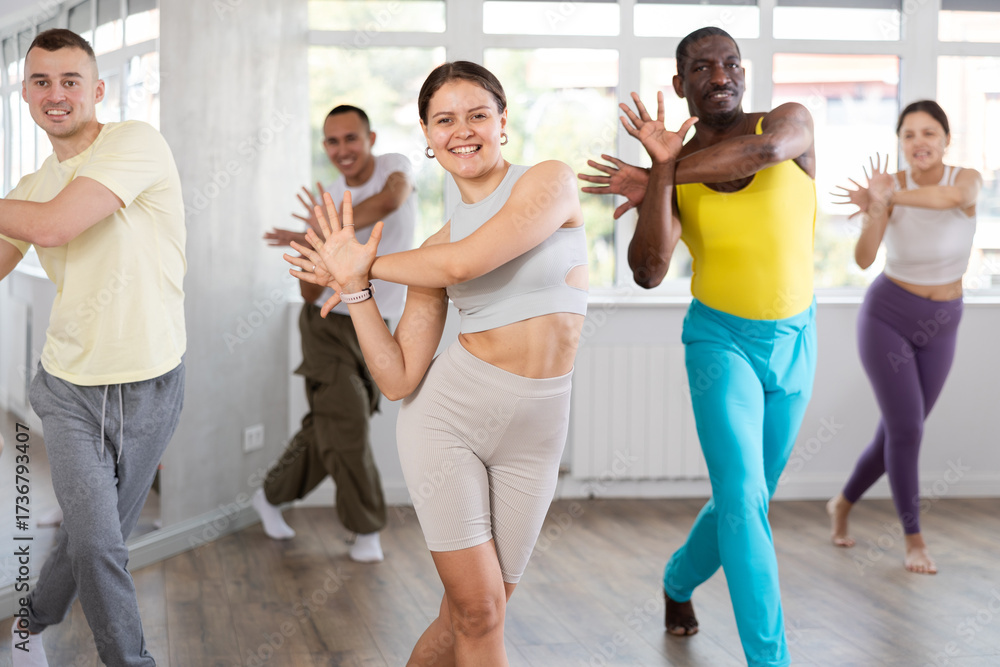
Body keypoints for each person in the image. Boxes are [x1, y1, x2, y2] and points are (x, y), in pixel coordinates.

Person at [287, 61, 588, 666]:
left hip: (538, 430)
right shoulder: (428, 252)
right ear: (427, 136)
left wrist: (360, 265)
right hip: (450, 420)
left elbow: (465, 264)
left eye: (478, 115)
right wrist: (354, 292)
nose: (463, 130)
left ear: (503, 123)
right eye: (444, 120)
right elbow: (398, 378)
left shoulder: (550, 182)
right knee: (480, 614)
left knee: (467, 616)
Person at [579, 27, 816, 667]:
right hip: (720, 343)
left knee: (750, 497)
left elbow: (758, 155)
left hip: (797, 343)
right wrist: (659, 180)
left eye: (732, 63)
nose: (722, 75)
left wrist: (659, 171)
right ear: (679, 85)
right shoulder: (670, 174)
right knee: (741, 499)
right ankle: (771, 660)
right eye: (703, 67)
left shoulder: (788, 123)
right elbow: (650, 270)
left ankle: (678, 580)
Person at [0, 29, 185, 667]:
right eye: (41, 81)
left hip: (152, 385)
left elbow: (55, 223)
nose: (56, 94)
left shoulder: (135, 143)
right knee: (101, 546)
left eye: (70, 80)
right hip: (69, 388)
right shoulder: (27, 185)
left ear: (97, 89)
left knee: (93, 539)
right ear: (24, 93)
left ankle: (30, 627)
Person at [251, 104, 416, 563]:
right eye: (332, 141)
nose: (342, 149)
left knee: (328, 424)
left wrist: (329, 234)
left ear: (371, 139)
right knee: (348, 423)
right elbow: (308, 293)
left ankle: (270, 494)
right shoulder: (327, 203)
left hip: (377, 325)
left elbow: (390, 202)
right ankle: (366, 530)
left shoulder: (393, 169)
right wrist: (316, 245)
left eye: (351, 138)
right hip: (329, 327)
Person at [827, 101, 980, 575]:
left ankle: (843, 502)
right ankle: (913, 540)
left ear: (946, 140)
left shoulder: (967, 179)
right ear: (900, 142)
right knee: (909, 428)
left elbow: (950, 201)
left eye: (929, 133)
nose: (920, 142)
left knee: (899, 429)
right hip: (887, 316)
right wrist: (876, 209)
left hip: (944, 319)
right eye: (909, 135)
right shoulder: (888, 188)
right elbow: (863, 257)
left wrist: (886, 199)